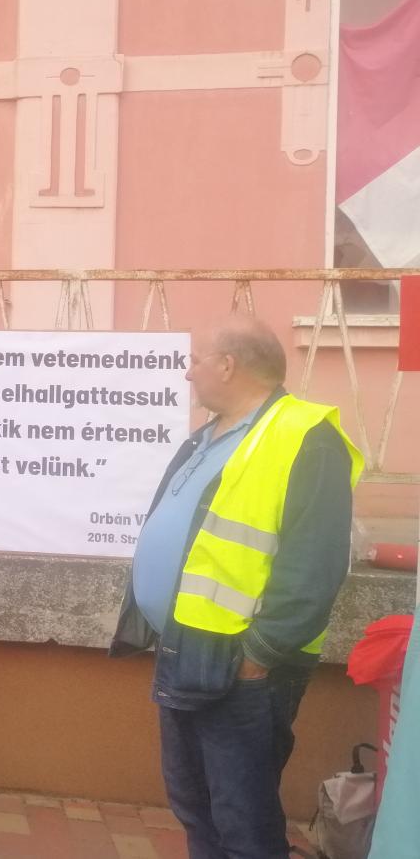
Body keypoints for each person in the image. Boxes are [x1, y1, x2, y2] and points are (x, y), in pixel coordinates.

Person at [110, 316, 361, 859]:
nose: (187, 373)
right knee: (195, 805)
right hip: (187, 647)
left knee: (242, 818)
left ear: (227, 365)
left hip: (243, 665)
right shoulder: (210, 436)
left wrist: (258, 657)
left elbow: (316, 564)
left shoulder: (305, 436)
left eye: (195, 360)